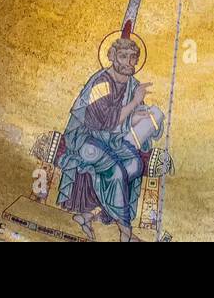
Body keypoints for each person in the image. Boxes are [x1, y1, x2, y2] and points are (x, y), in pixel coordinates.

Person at [56, 36, 159, 242]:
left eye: (133, 57)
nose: (129, 62)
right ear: (112, 56)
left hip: (110, 140)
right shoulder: (101, 82)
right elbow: (105, 121)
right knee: (115, 172)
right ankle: (126, 233)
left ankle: (87, 215)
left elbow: (127, 118)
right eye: (123, 56)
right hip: (86, 139)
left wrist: (145, 115)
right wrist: (135, 103)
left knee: (134, 165)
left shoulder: (132, 85)